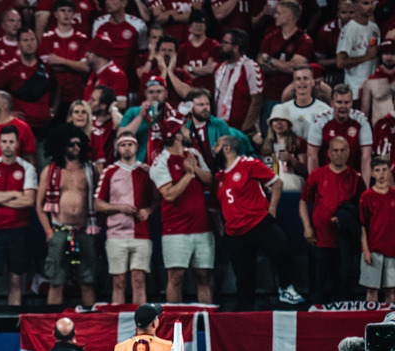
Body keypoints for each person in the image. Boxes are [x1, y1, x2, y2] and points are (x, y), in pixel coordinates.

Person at [212, 134, 304, 309]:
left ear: (226, 149)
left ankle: (286, 288)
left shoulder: (248, 164)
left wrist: (272, 209)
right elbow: (216, 206)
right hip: (235, 233)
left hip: (258, 222)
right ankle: (245, 315)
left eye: (216, 146)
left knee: (282, 250)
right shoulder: (220, 176)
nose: (213, 149)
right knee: (244, 279)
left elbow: (276, 183)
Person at [151, 127, 214, 304]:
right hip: (176, 229)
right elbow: (169, 194)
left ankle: (205, 320)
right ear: (177, 135)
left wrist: (195, 170)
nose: (189, 133)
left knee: (204, 276)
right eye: (186, 130)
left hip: (201, 227)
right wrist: (189, 175)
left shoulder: (193, 153)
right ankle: (175, 322)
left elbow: (209, 180)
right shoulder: (161, 161)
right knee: (175, 277)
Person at [299, 137, 366, 304]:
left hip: (344, 243)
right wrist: (307, 227)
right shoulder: (317, 175)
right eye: (335, 150)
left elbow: (362, 210)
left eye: (343, 150)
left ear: (349, 152)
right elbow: (302, 202)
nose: (339, 154)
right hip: (320, 240)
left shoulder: (355, 177)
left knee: (343, 290)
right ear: (328, 153)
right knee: (317, 289)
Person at [37, 127, 98, 309]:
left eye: (79, 143)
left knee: (88, 280)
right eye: (71, 144)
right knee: (56, 281)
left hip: (85, 230)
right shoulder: (50, 171)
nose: (76, 147)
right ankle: (52, 325)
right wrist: (48, 230)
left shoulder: (90, 170)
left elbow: (99, 200)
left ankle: (92, 325)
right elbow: (39, 205)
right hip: (58, 228)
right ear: (62, 146)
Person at [95, 134, 158, 305]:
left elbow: (157, 200)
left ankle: (141, 322)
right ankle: (119, 320)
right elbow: (98, 204)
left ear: (136, 147)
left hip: (141, 234)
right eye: (123, 145)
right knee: (118, 281)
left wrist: (149, 210)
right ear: (118, 148)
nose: (127, 148)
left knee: (139, 280)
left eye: (130, 144)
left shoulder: (147, 170)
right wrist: (119, 208)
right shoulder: (109, 172)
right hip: (116, 234)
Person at [0, 125, 36, 307]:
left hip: (18, 229)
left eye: (11, 142)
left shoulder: (27, 168)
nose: (8, 145)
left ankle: (13, 319)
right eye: (4, 141)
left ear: (17, 144)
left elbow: (28, 201)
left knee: (16, 278)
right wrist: (15, 194)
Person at [307, 84, 373, 179]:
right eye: (339, 102)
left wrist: (364, 190)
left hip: (352, 178)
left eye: (347, 102)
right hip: (326, 178)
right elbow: (312, 155)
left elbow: (366, 158)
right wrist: (315, 185)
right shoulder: (320, 121)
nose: (343, 106)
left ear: (351, 103)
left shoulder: (361, 121)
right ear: (332, 103)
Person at [359, 156, 395, 303]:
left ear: (389, 172)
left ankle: (390, 324)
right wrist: (366, 250)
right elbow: (362, 225)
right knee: (372, 290)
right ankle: (370, 323)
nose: (381, 174)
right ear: (372, 173)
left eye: (384, 170)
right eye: (377, 170)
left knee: (391, 290)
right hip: (373, 250)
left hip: (393, 251)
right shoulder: (366, 196)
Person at [337, 0, 380, 100]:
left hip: (373, 89)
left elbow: (373, 52)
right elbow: (340, 62)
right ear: (355, 5)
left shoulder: (374, 28)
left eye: (371, 2)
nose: (370, 6)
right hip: (355, 90)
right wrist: (365, 57)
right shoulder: (349, 30)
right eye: (365, 3)